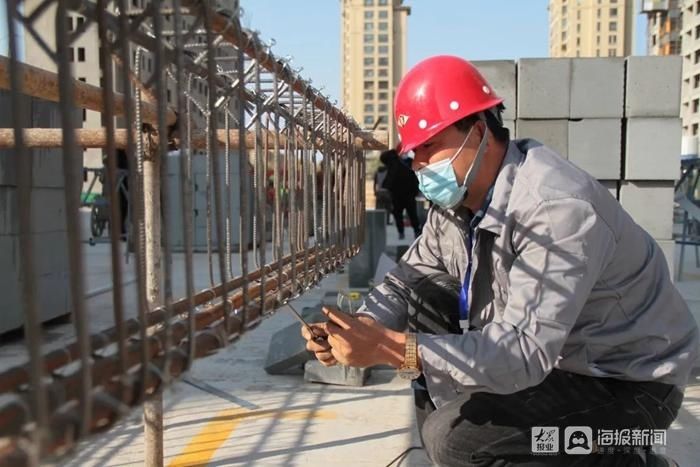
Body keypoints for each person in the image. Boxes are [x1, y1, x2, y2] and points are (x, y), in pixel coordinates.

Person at [302, 55, 699, 466]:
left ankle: (626, 459)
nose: (419, 165)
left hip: (628, 383)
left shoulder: (556, 209)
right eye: (413, 154)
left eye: (430, 147)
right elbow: (406, 282)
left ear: (478, 131)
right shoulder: (457, 206)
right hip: (556, 358)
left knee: (455, 442)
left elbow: (524, 354)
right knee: (424, 306)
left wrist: (389, 348)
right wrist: (364, 326)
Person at [381, 148, 421, 239]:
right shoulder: (403, 163)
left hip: (398, 195)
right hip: (408, 194)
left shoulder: (393, 164)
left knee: (399, 214)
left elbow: (390, 179)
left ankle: (402, 232)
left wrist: (386, 187)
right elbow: (413, 179)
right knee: (411, 213)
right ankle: (416, 231)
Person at [373, 160, 393, 225]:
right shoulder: (389, 172)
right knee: (387, 208)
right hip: (387, 192)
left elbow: (375, 183)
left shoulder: (377, 172)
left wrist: (375, 191)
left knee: (378, 208)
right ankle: (386, 222)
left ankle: (378, 221)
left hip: (379, 192)